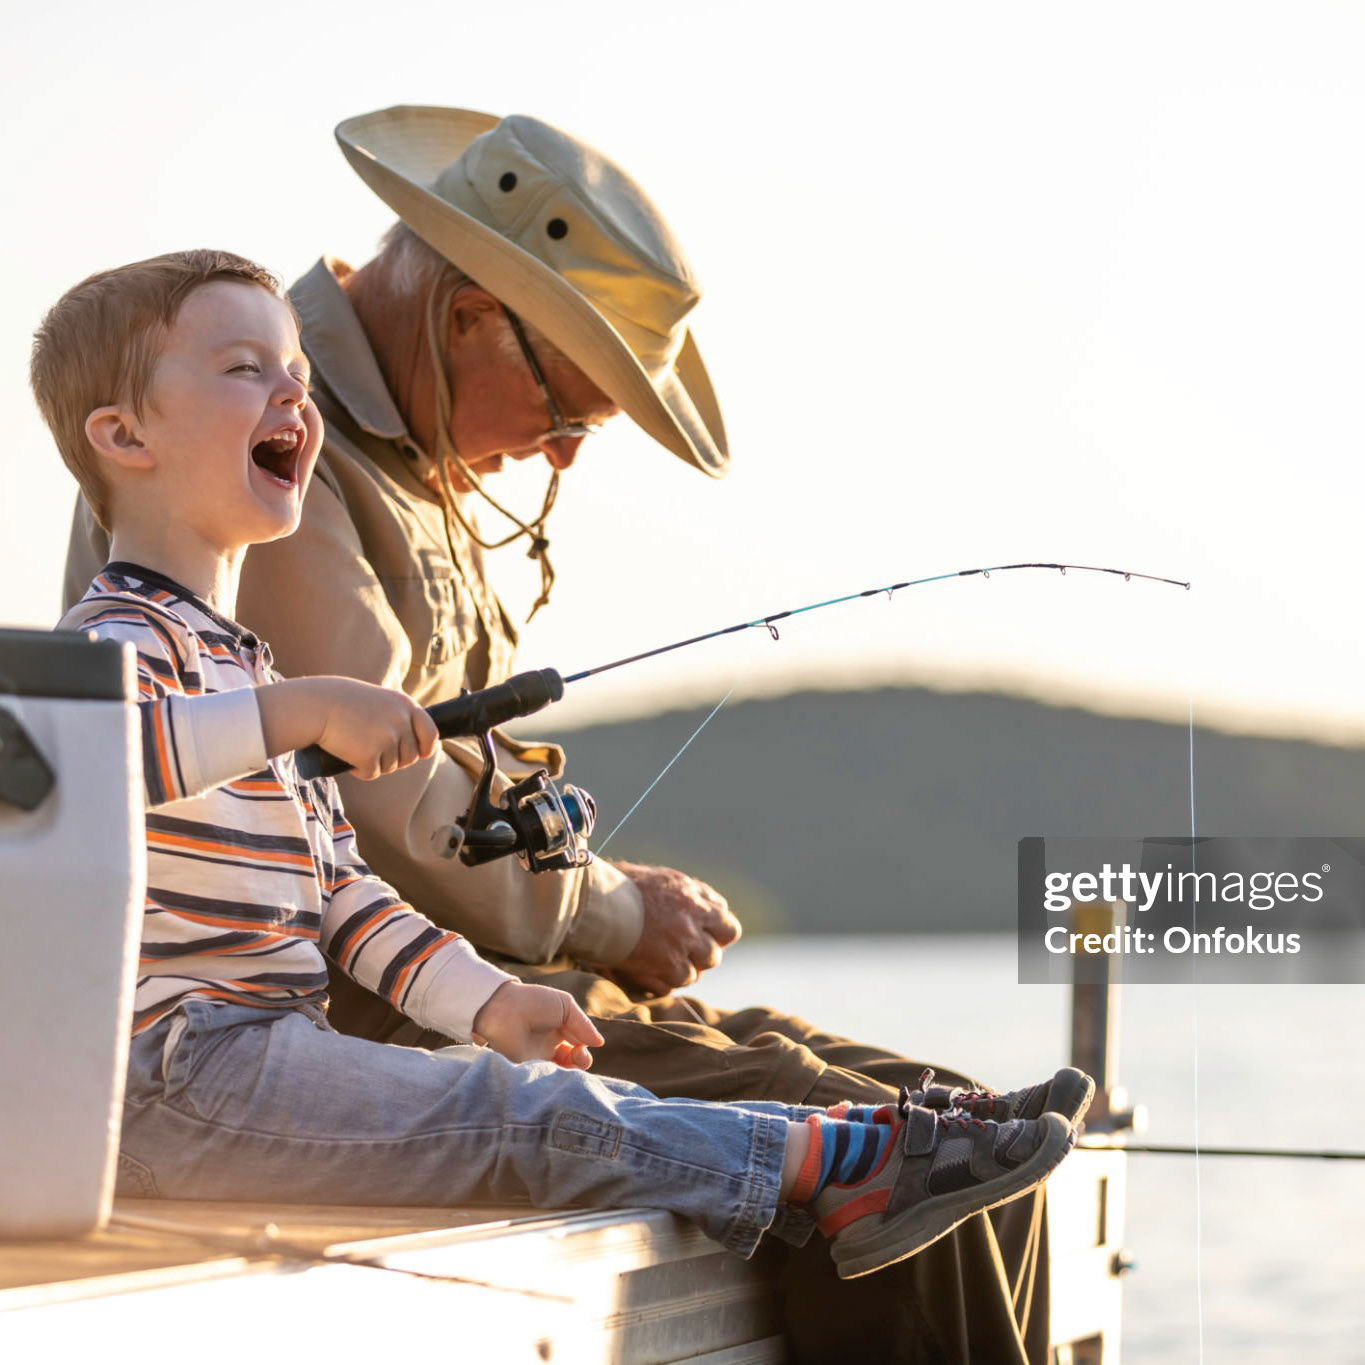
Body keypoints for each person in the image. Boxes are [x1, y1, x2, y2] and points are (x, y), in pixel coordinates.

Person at [61, 111, 1071, 1360]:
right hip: (271, 1053)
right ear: (471, 310)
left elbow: (335, 878)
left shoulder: (288, 507)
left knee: (914, 1123)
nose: (563, 452)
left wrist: (497, 996)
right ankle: (843, 1160)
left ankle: (881, 1146)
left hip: (434, 989)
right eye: (567, 405)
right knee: (838, 1139)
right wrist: (600, 913)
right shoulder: (223, 539)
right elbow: (141, 771)